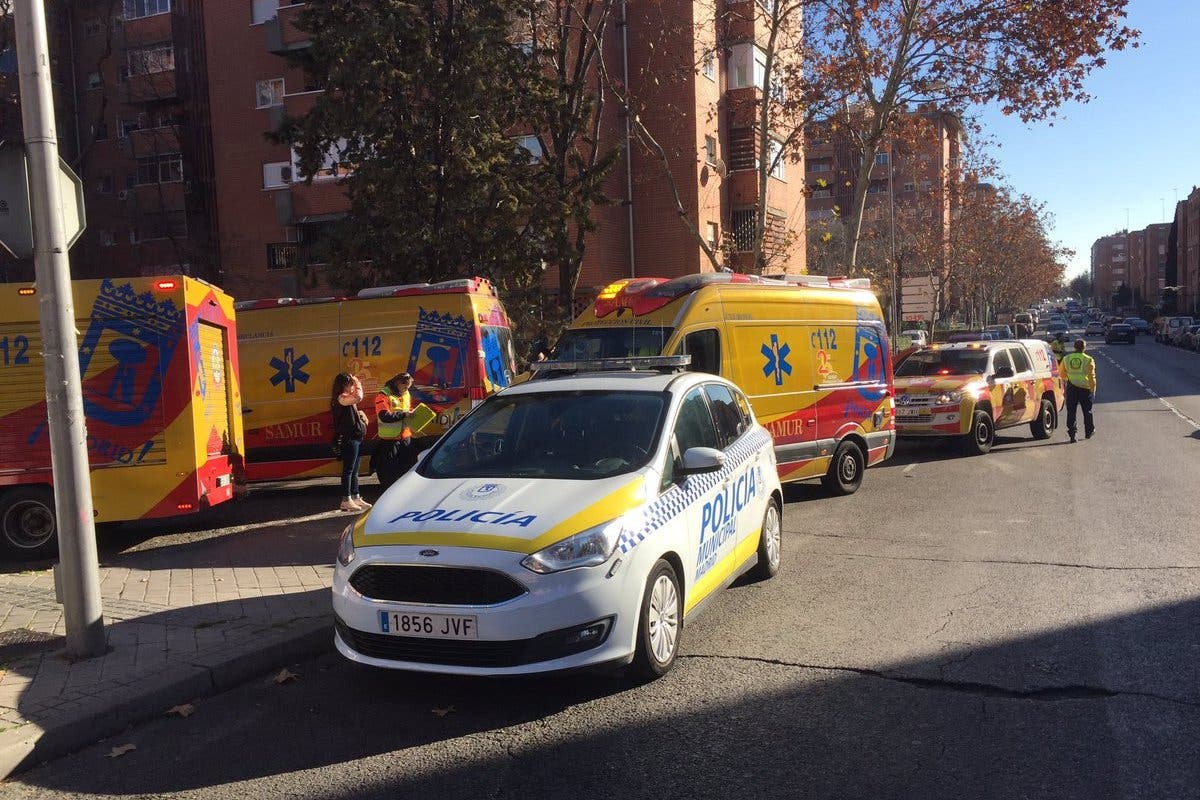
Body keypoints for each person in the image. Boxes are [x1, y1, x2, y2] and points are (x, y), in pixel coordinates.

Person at [330, 373, 370, 512]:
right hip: (349, 438)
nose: (352, 386)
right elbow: (358, 397)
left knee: (355, 470)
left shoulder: (346, 399)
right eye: (350, 384)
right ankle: (346, 500)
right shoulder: (341, 398)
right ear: (343, 385)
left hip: (356, 437)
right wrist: (357, 381)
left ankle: (356, 496)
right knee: (348, 470)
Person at [374, 372, 415, 489]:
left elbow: (407, 409)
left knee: (406, 469)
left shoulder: (406, 393)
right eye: (405, 387)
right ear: (397, 383)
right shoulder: (383, 395)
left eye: (408, 387)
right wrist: (405, 414)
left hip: (405, 437)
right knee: (389, 472)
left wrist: (412, 414)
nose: (406, 390)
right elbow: (384, 416)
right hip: (389, 440)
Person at [1061, 338, 1097, 443]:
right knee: (1087, 411)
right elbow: (1092, 376)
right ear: (1084, 348)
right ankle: (1089, 432)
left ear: (1074, 347)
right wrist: (1093, 389)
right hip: (1085, 389)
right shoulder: (1088, 359)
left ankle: (1072, 435)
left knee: (1071, 412)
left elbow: (1062, 374)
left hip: (1071, 388)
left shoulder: (1066, 359)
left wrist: (1069, 380)